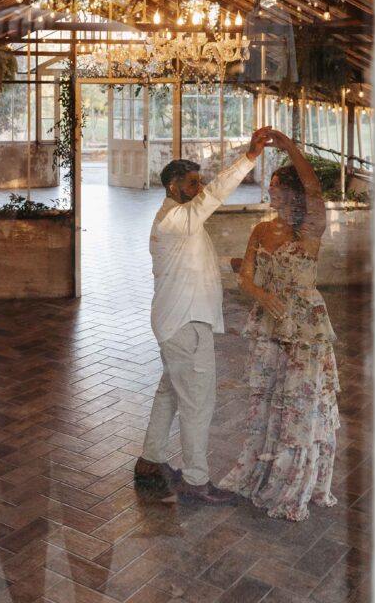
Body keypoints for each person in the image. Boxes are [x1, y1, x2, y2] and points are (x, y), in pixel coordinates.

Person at [134, 126, 273, 506]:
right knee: (198, 402)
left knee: (171, 394)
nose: (199, 189)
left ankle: (150, 461)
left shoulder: (180, 221)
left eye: (199, 182)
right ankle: (196, 480)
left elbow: (193, 260)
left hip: (178, 323)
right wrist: (249, 157)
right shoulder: (174, 219)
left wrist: (231, 263)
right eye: (193, 183)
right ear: (173, 186)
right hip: (185, 324)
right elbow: (212, 199)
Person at [220, 129, 339, 522]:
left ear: (293, 194)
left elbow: (315, 189)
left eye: (277, 187)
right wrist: (262, 296)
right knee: (266, 401)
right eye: (269, 187)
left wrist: (289, 148)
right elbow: (245, 277)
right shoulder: (261, 229)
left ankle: (294, 481)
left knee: (299, 407)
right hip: (268, 326)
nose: (271, 193)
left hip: (304, 328)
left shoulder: (310, 231)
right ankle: (262, 470)